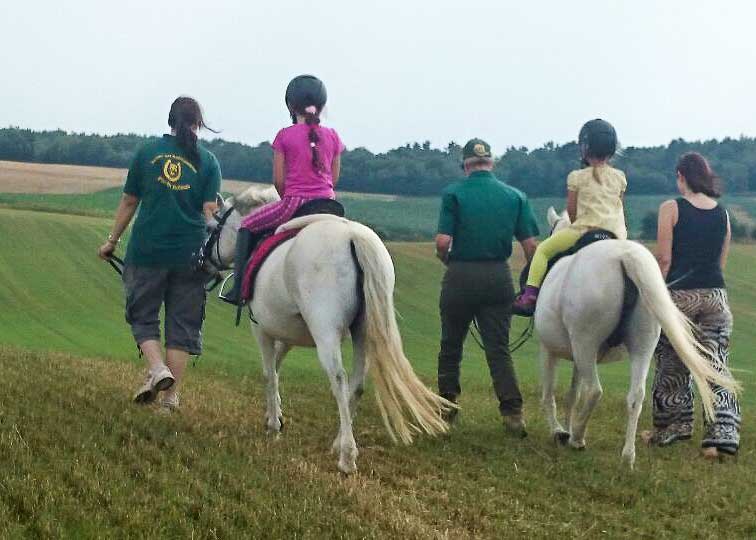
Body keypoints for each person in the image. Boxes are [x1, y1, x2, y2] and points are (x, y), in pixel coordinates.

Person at [98, 96, 221, 411]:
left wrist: (111, 241)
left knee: (143, 316)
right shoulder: (209, 162)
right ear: (198, 123)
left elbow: (129, 201)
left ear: (170, 120)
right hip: (191, 256)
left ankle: (156, 369)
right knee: (183, 326)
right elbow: (210, 212)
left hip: (147, 251)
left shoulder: (147, 152)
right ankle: (170, 400)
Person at [435, 138, 539, 436]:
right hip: (498, 278)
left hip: (460, 275)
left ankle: (447, 406)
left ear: (465, 165)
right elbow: (531, 247)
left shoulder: (453, 193)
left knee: (451, 345)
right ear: (491, 163)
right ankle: (512, 413)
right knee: (498, 349)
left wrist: (449, 261)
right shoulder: (515, 196)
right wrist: (528, 284)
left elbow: (442, 242)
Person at [643, 152, 740, 458]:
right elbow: (720, 262)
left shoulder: (671, 208)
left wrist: (655, 295)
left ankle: (672, 427)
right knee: (716, 365)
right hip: (715, 297)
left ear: (681, 176)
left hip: (679, 297)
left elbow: (664, 259)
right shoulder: (723, 214)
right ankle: (720, 438)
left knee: (671, 362)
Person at [222, 74, 346, 305]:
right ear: (322, 105)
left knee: (246, 224)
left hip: (295, 203)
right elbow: (334, 177)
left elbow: (279, 181)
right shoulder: (333, 136)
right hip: (330, 205)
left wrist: (287, 200)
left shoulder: (284, 136)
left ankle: (238, 289)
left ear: (290, 106)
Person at [512, 119, 627, 316]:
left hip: (585, 230)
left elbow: (571, 210)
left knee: (543, 251)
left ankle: (529, 296)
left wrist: (576, 224)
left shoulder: (576, 176)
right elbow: (619, 206)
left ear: (585, 147)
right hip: (616, 234)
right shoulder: (620, 176)